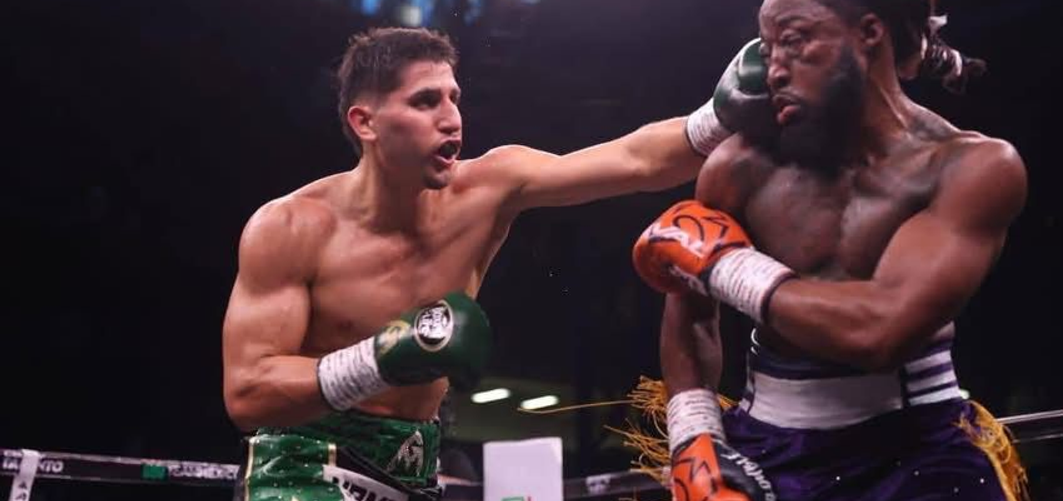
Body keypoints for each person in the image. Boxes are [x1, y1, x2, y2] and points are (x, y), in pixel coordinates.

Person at [221, 26, 731, 501]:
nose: (451, 119)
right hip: (302, 466)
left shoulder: (488, 190)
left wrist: (725, 115)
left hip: (413, 465)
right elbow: (248, 394)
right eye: (425, 101)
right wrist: (378, 360)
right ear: (365, 122)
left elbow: (635, 160)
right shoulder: (291, 227)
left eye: (453, 98)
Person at [630, 0, 1031, 501]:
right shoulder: (741, 166)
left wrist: (725, 265)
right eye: (767, 49)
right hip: (766, 448)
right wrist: (694, 437)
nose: (773, 69)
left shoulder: (970, 167)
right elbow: (691, 312)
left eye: (794, 42)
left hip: (919, 451)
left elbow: (880, 332)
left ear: (869, 34)